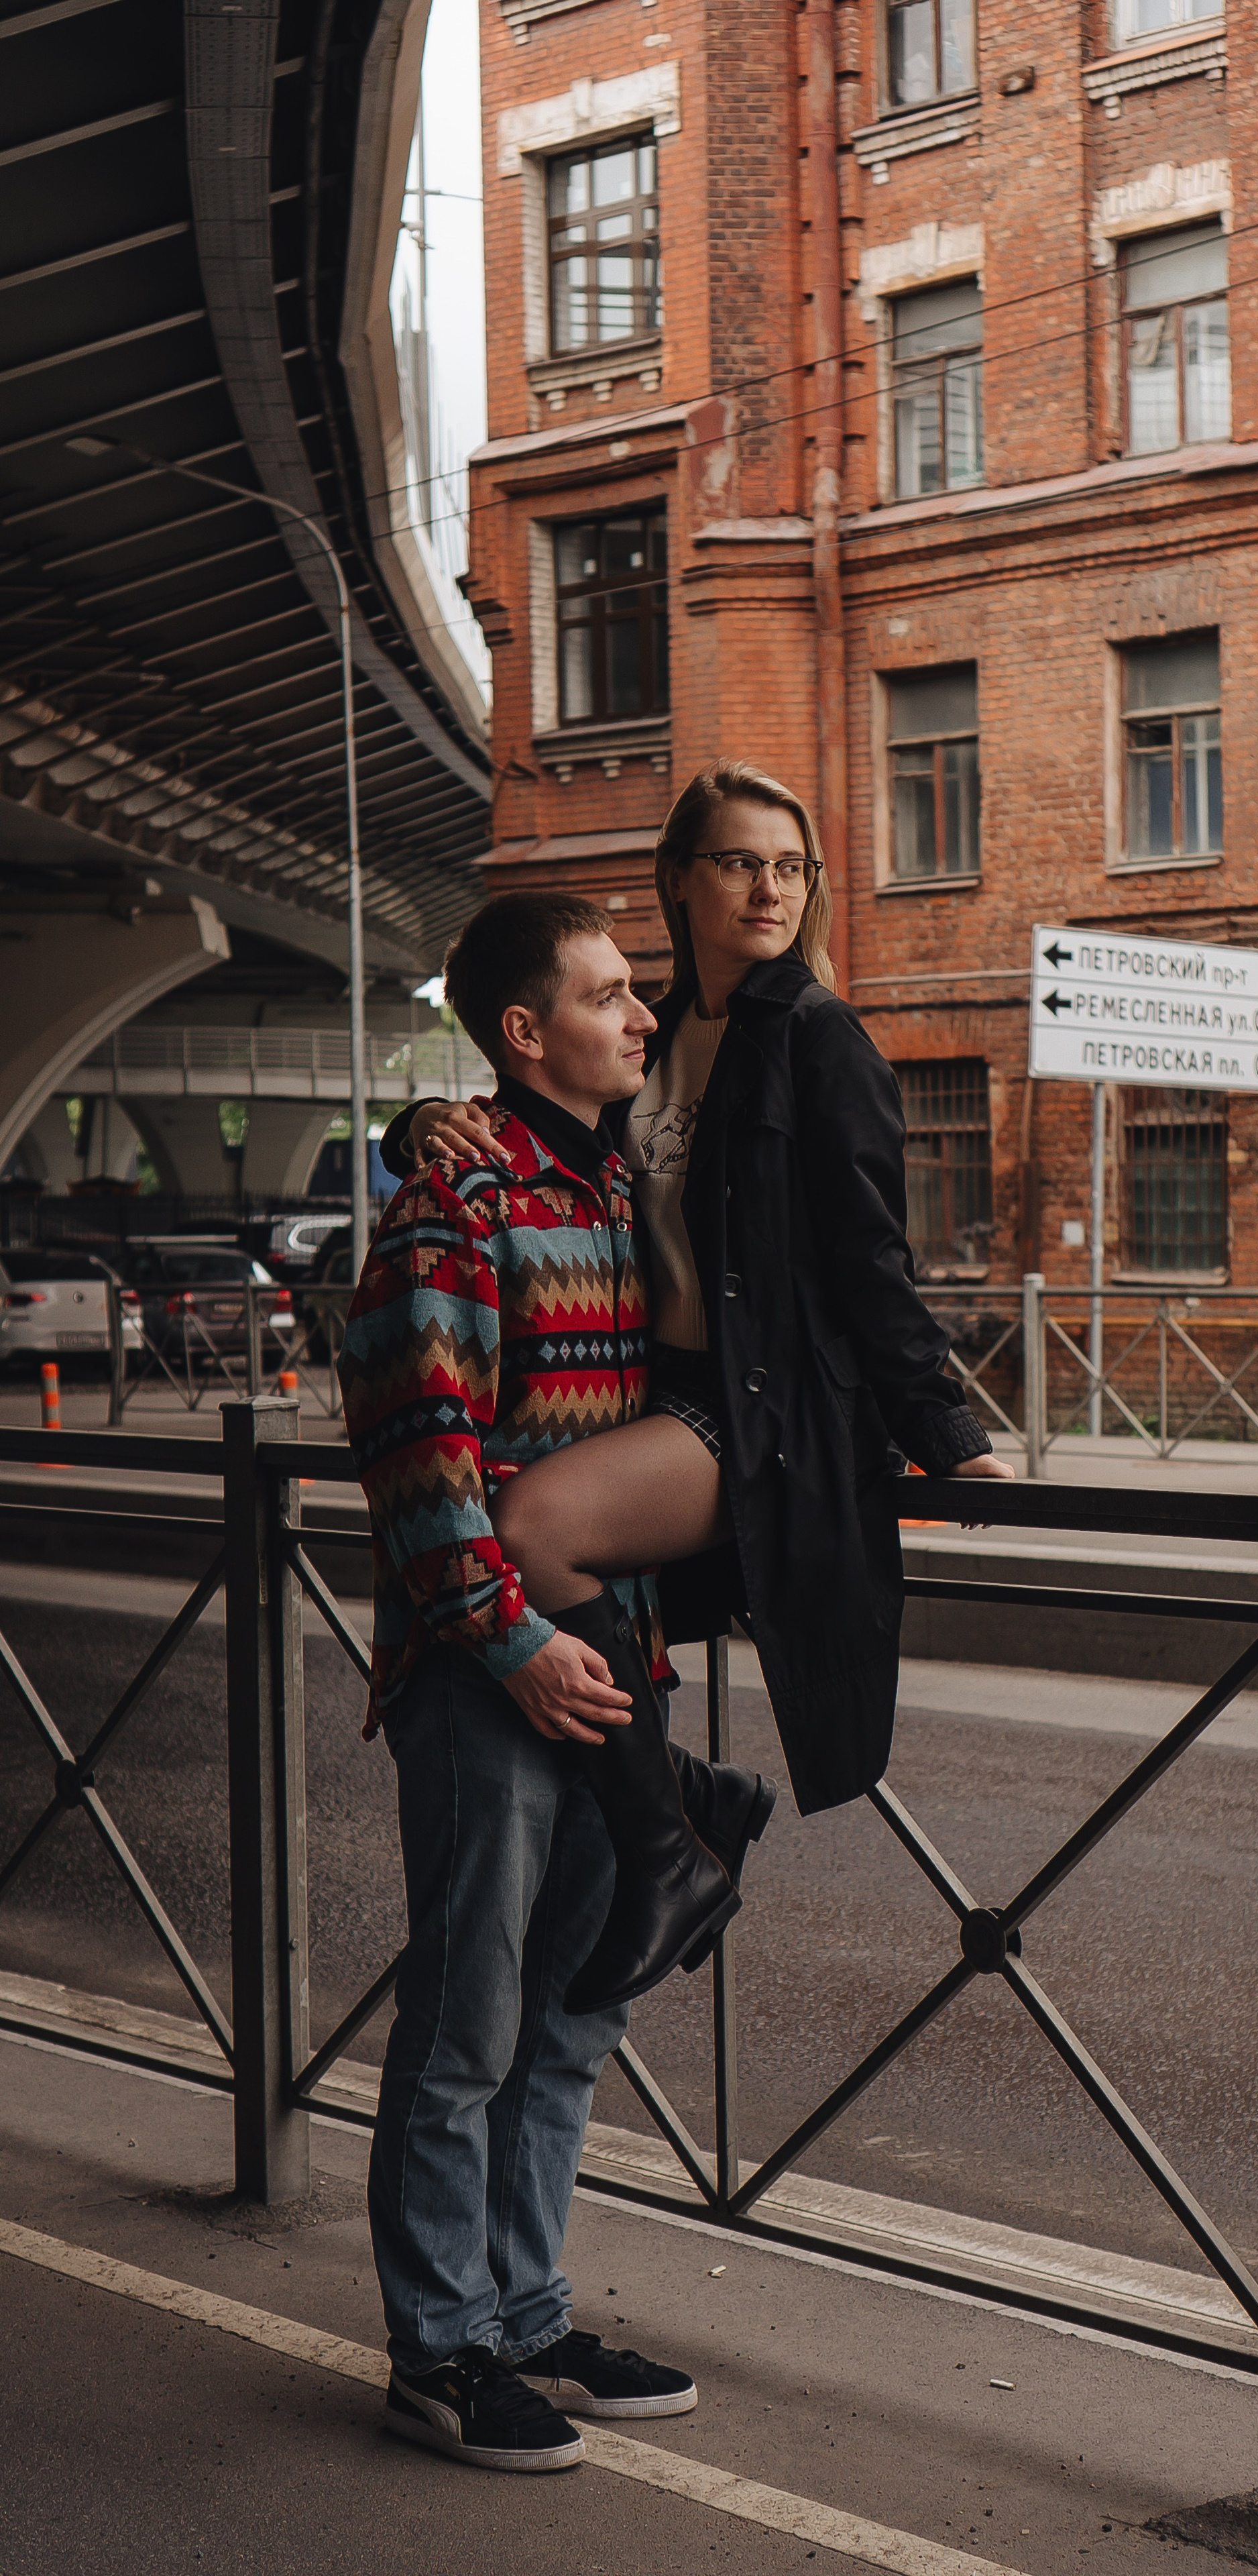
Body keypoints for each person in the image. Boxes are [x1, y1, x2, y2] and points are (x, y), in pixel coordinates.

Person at [389, 759, 1014, 2013]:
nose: (769, 887)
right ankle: (684, 1809)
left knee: (535, 1527)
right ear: (680, 880)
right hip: (651, 1398)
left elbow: (873, 1259)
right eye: (740, 861)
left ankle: (671, 1835)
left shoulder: (819, 1038)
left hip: (759, 1411)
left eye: (791, 866)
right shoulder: (653, 1037)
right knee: (541, 1532)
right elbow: (542, 1122)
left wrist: (948, 1432)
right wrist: (421, 1126)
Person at [339, 892, 766, 2473]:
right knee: (467, 2019)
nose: (639, 1016)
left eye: (638, 992)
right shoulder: (456, 1200)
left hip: (620, 1663)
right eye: (605, 995)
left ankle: (524, 2315)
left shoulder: (613, 1179)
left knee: (575, 2012)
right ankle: (435, 2347)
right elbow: (411, 1443)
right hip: (487, 1669)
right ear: (523, 1032)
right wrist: (509, 1643)